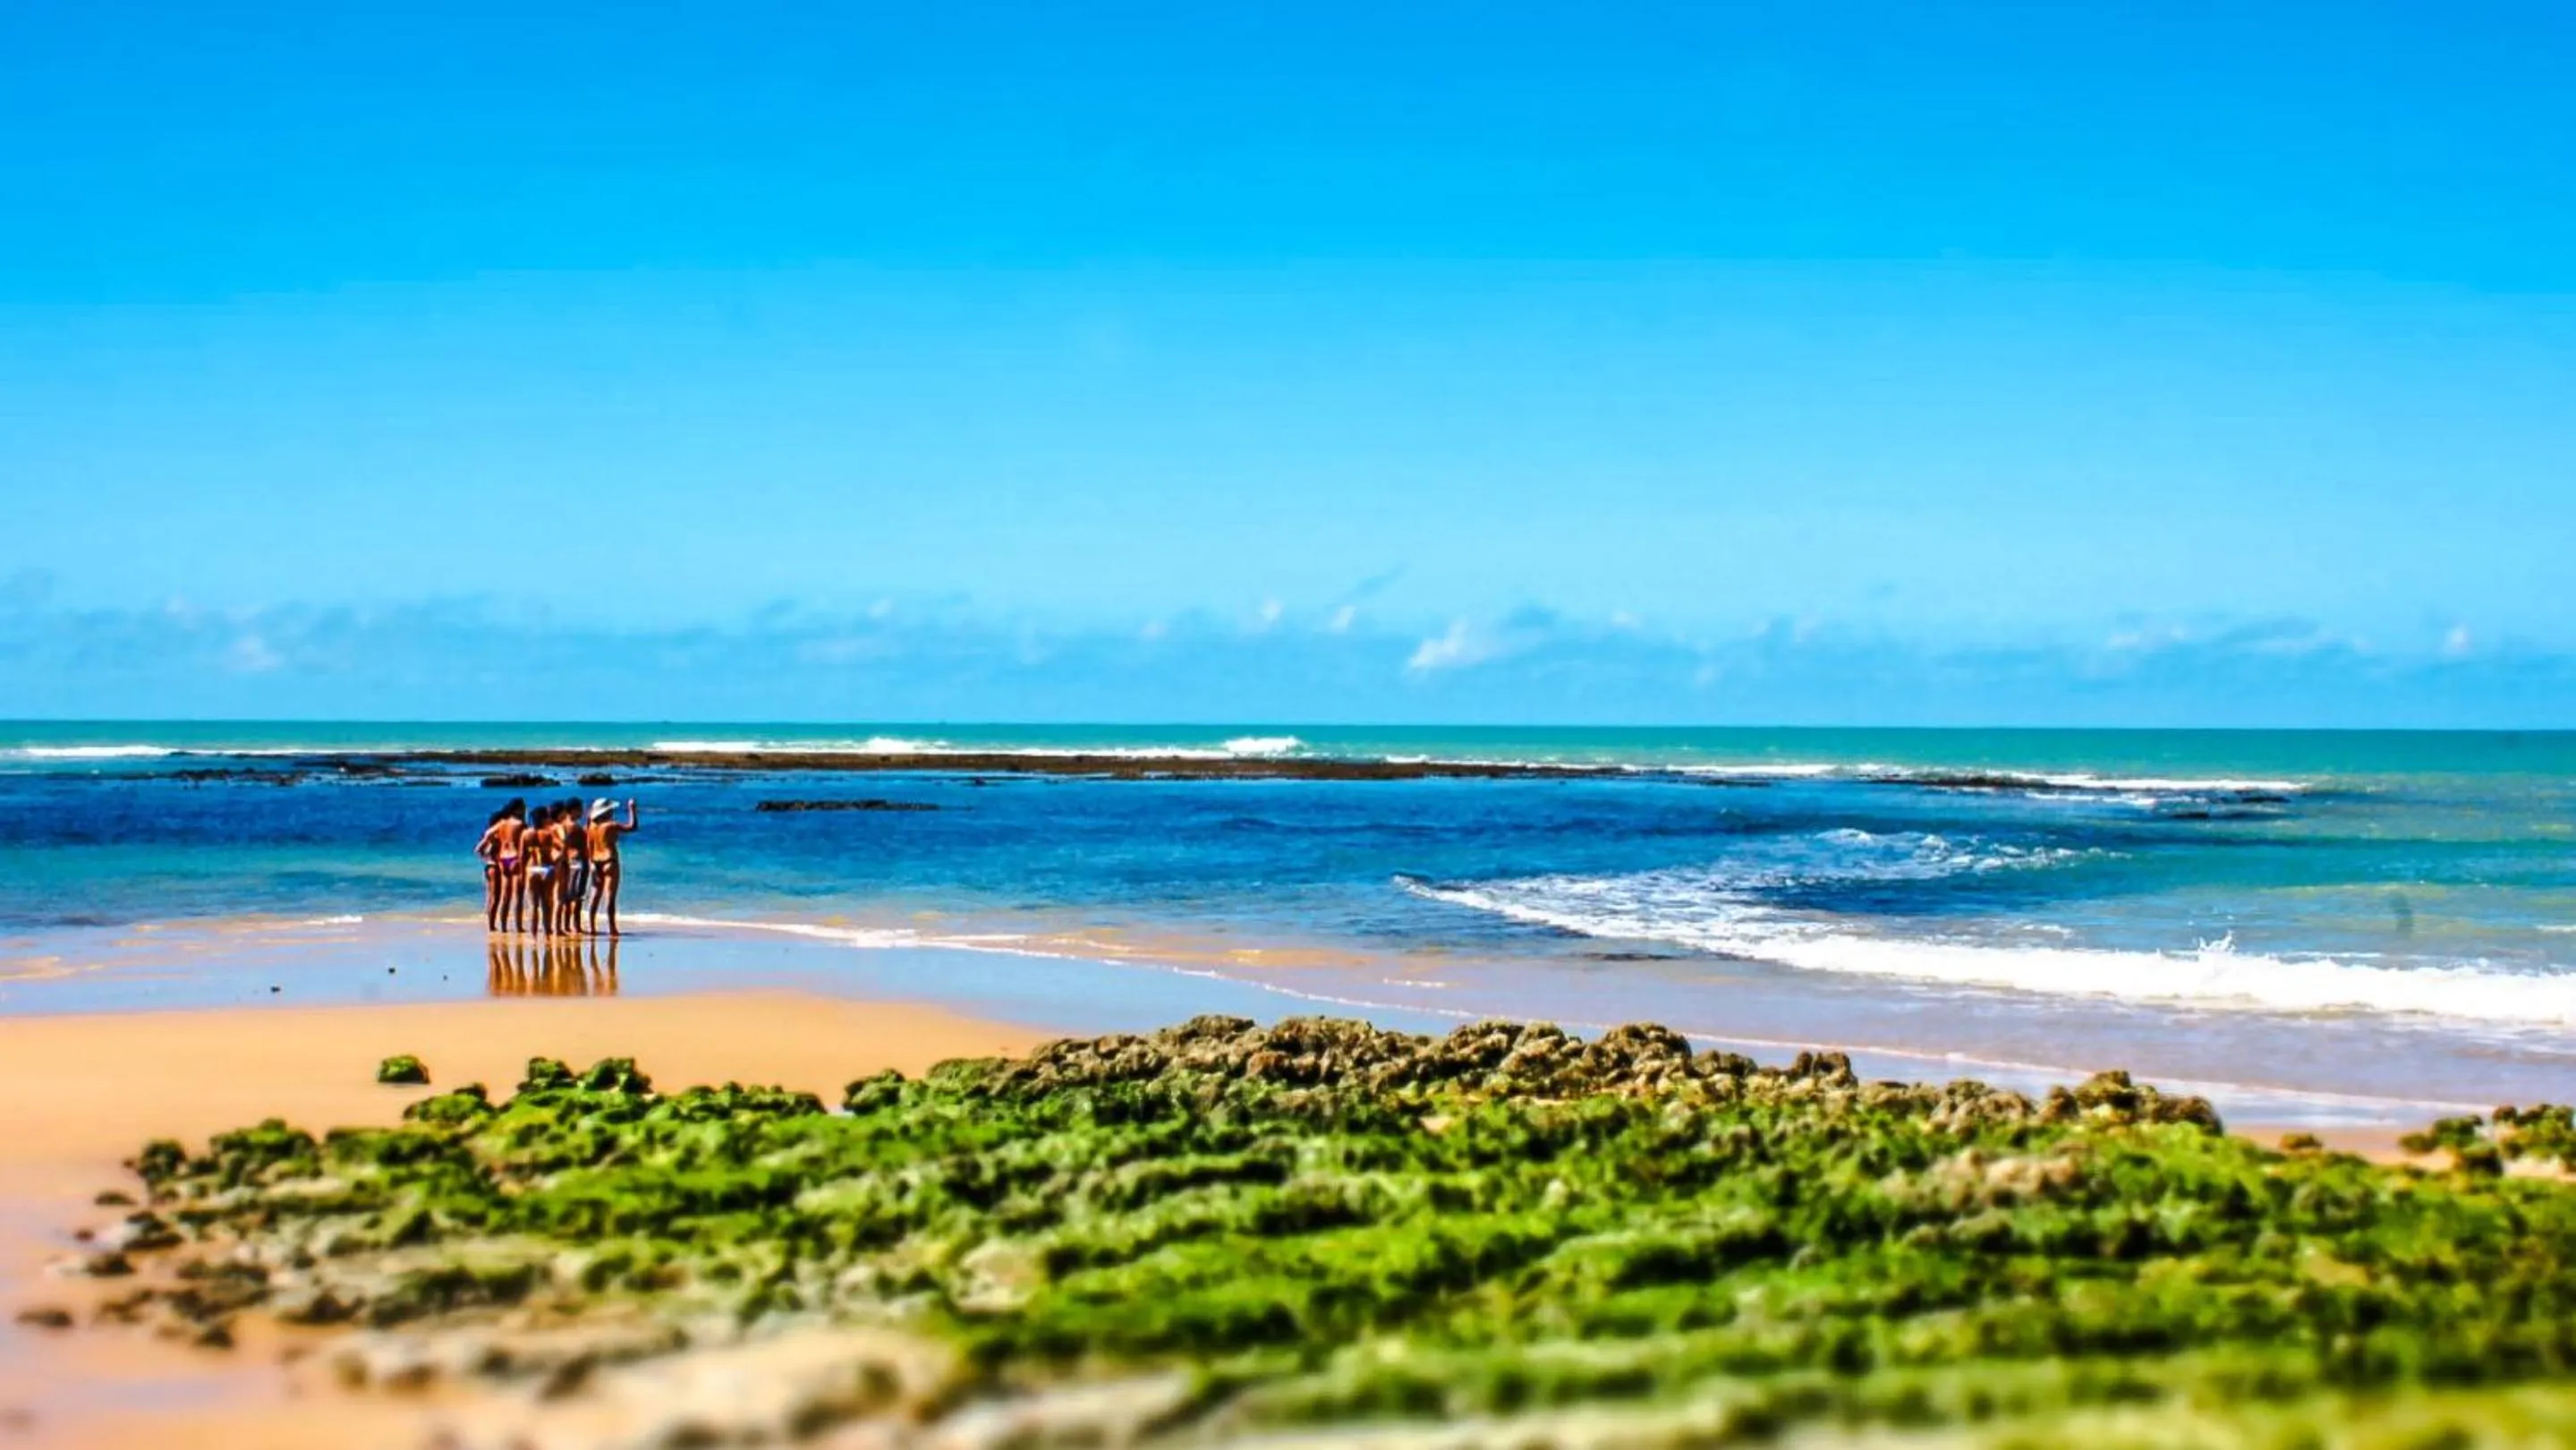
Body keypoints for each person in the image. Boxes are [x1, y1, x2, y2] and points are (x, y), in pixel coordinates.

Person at [585, 798, 641, 937]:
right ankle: (612, 928)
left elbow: (589, 847)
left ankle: (591, 926)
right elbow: (632, 827)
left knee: (595, 895)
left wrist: (591, 862)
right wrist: (632, 809)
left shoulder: (590, 826)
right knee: (610, 896)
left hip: (595, 861)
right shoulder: (610, 825)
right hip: (609, 860)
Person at [475, 798, 528, 934]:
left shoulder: (501, 823)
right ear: (517, 809)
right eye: (523, 808)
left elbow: (487, 834)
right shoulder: (521, 824)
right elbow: (524, 845)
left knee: (505, 896)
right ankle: (518, 926)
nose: (525, 811)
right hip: (516, 858)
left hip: (503, 859)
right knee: (518, 896)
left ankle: (503, 927)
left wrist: (491, 846)